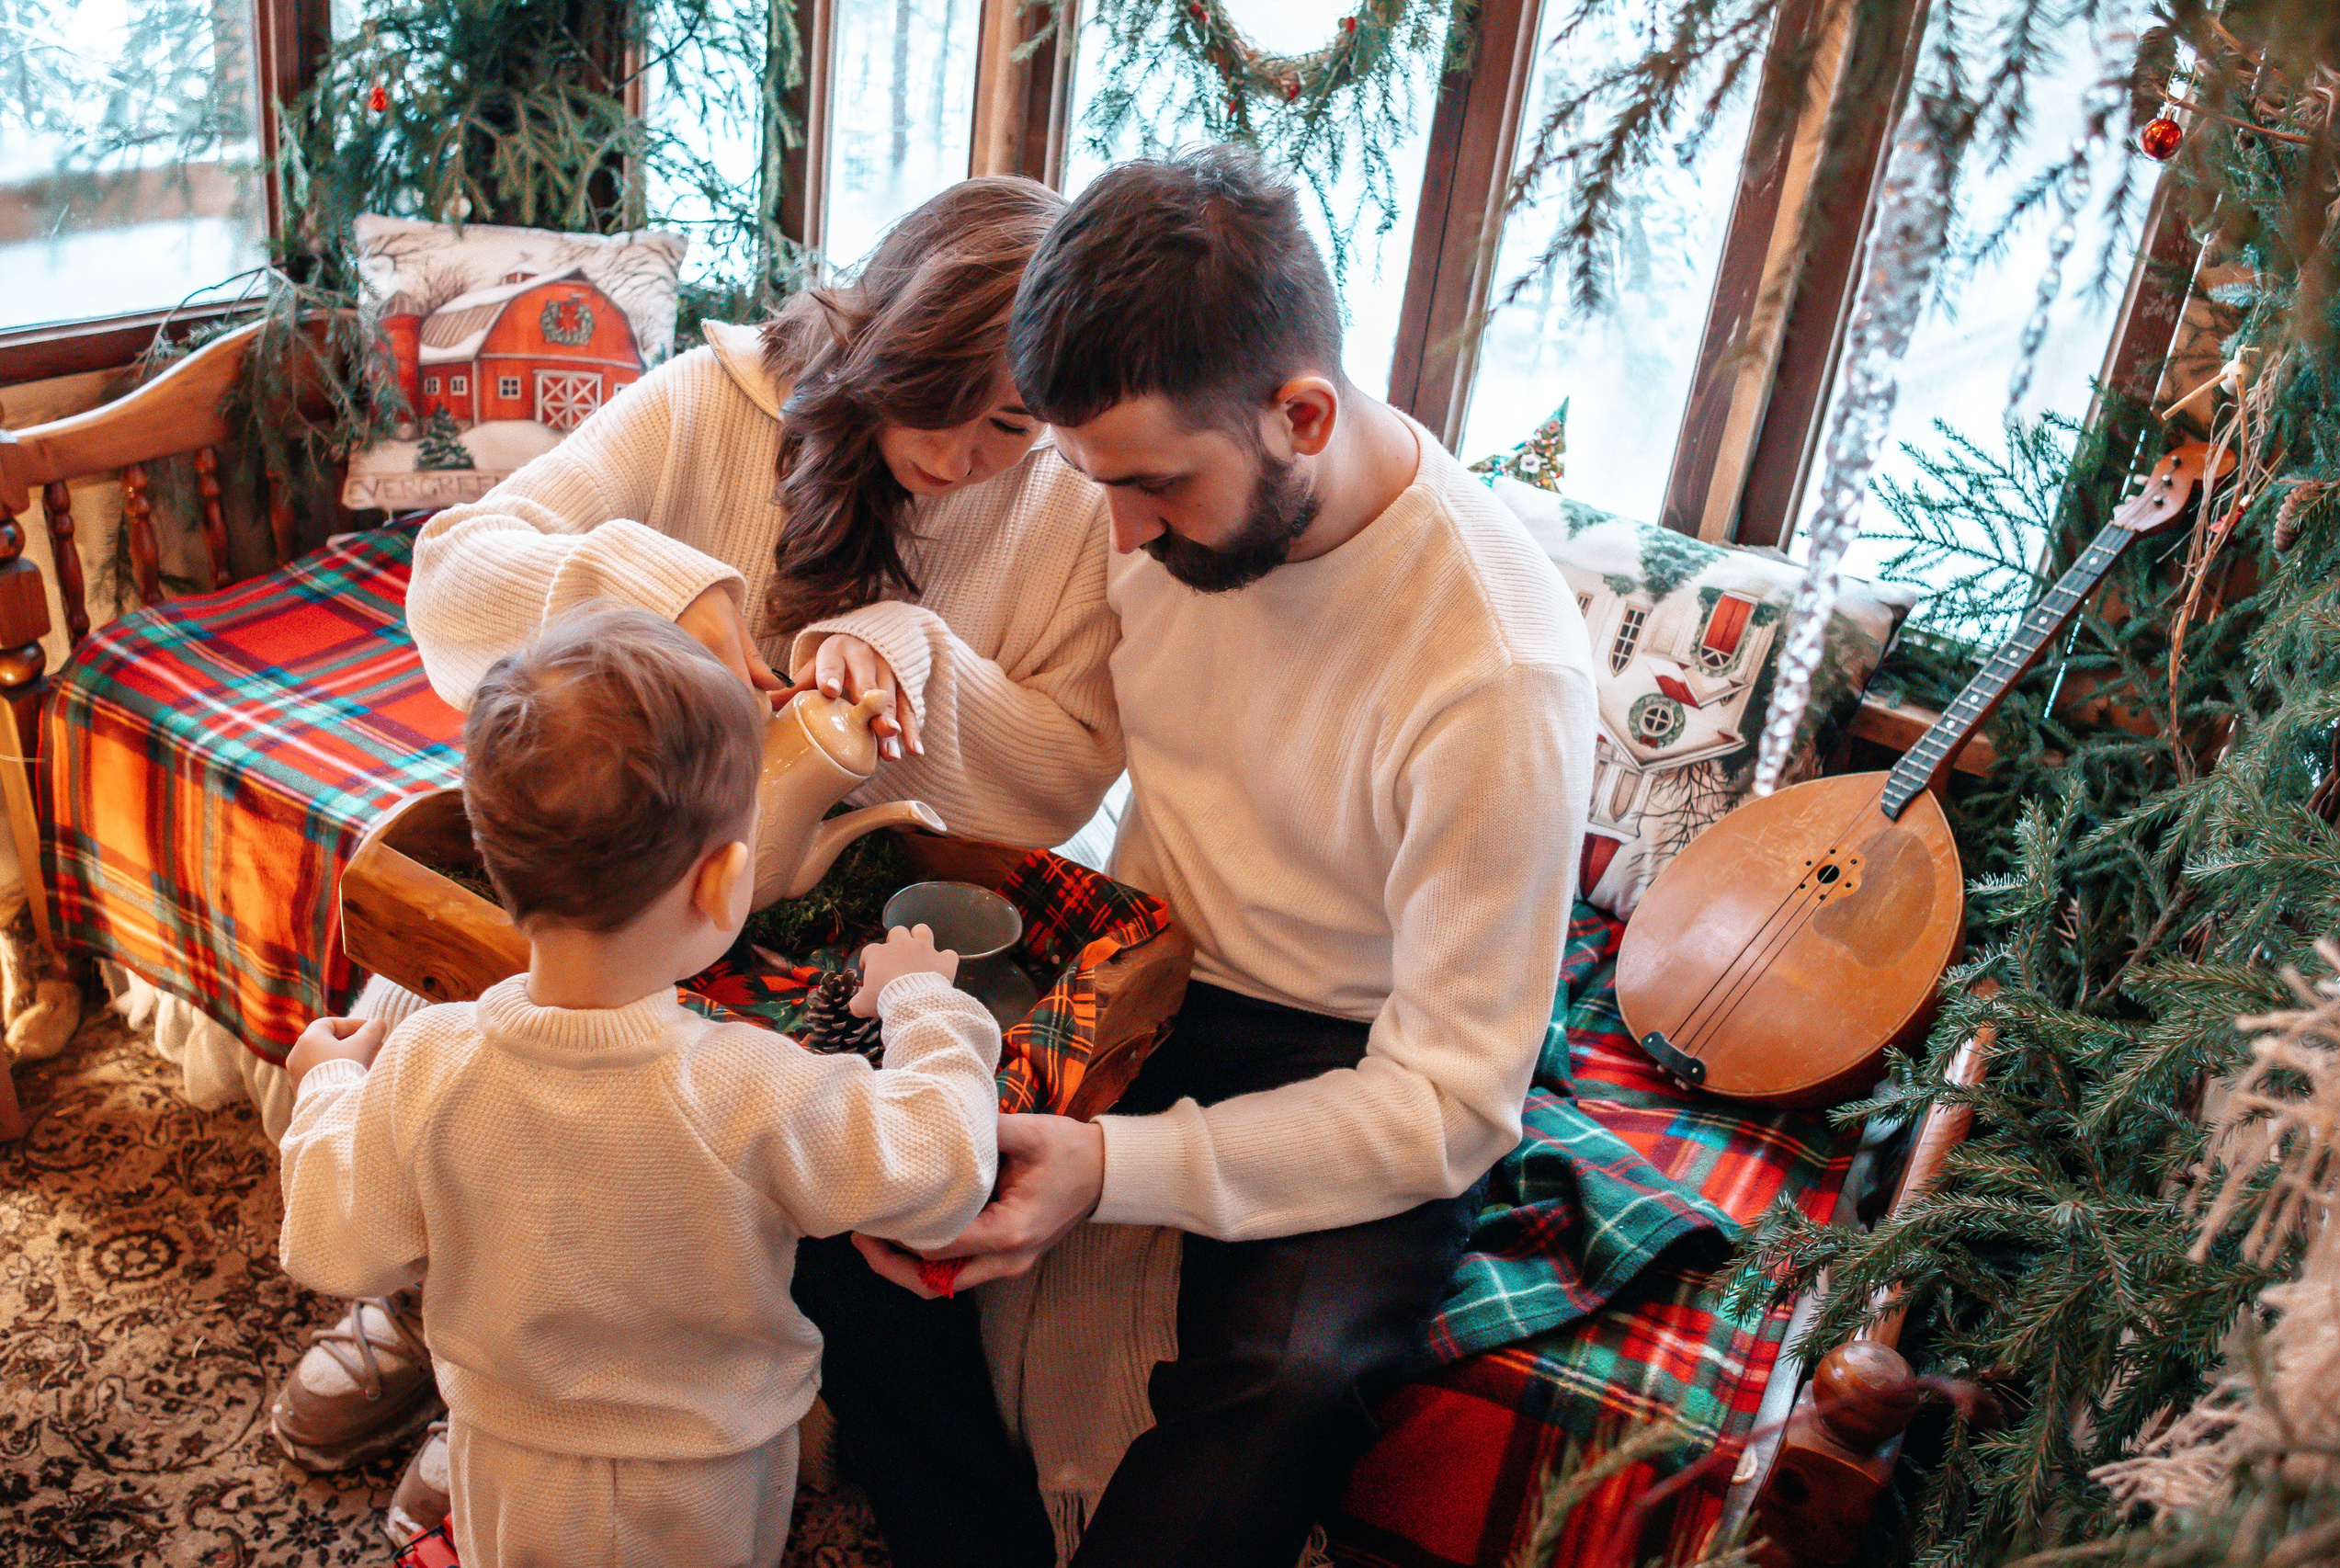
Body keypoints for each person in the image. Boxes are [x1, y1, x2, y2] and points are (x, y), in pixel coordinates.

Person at [792, 147, 1599, 1567]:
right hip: (1140, 949)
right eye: (1089, 479)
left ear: (1301, 414)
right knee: (837, 1172)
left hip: (1357, 1047)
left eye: (1156, 488)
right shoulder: (1139, 501)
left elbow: (1452, 1108)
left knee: (1287, 1379)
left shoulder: (1494, 669)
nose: (1116, 536)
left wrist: (1114, 1168)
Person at [270, 176, 1124, 1502]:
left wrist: (915, 657)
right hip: (624, 893)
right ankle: (435, 1306)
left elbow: (1063, 777)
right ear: (874, 332)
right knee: (496, 997)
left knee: (692, 1119)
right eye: (934, 401)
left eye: (1010, 424)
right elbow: (451, 585)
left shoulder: (1063, 505)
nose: (962, 457)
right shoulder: (712, 404)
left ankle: (527, 1385)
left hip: (823, 923)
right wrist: (661, 596)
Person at [276, 604, 1005, 1566]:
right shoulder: (753, 1084)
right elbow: (943, 1165)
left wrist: (329, 1088)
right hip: (710, 1476)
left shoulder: (427, 1060)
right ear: (722, 882)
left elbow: (333, 1241)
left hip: (505, 1461)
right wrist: (925, 1004)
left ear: (494, 864)